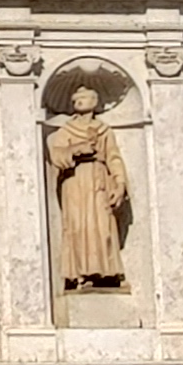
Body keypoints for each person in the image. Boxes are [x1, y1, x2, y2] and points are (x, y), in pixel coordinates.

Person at [48, 83, 128, 289]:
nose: (84, 102)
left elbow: (114, 157)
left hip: (99, 179)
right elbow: (56, 154)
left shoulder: (104, 131)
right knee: (79, 225)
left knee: (102, 225)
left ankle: (106, 272)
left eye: (89, 98)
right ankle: (80, 274)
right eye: (80, 99)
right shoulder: (66, 130)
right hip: (75, 180)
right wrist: (76, 149)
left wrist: (119, 183)